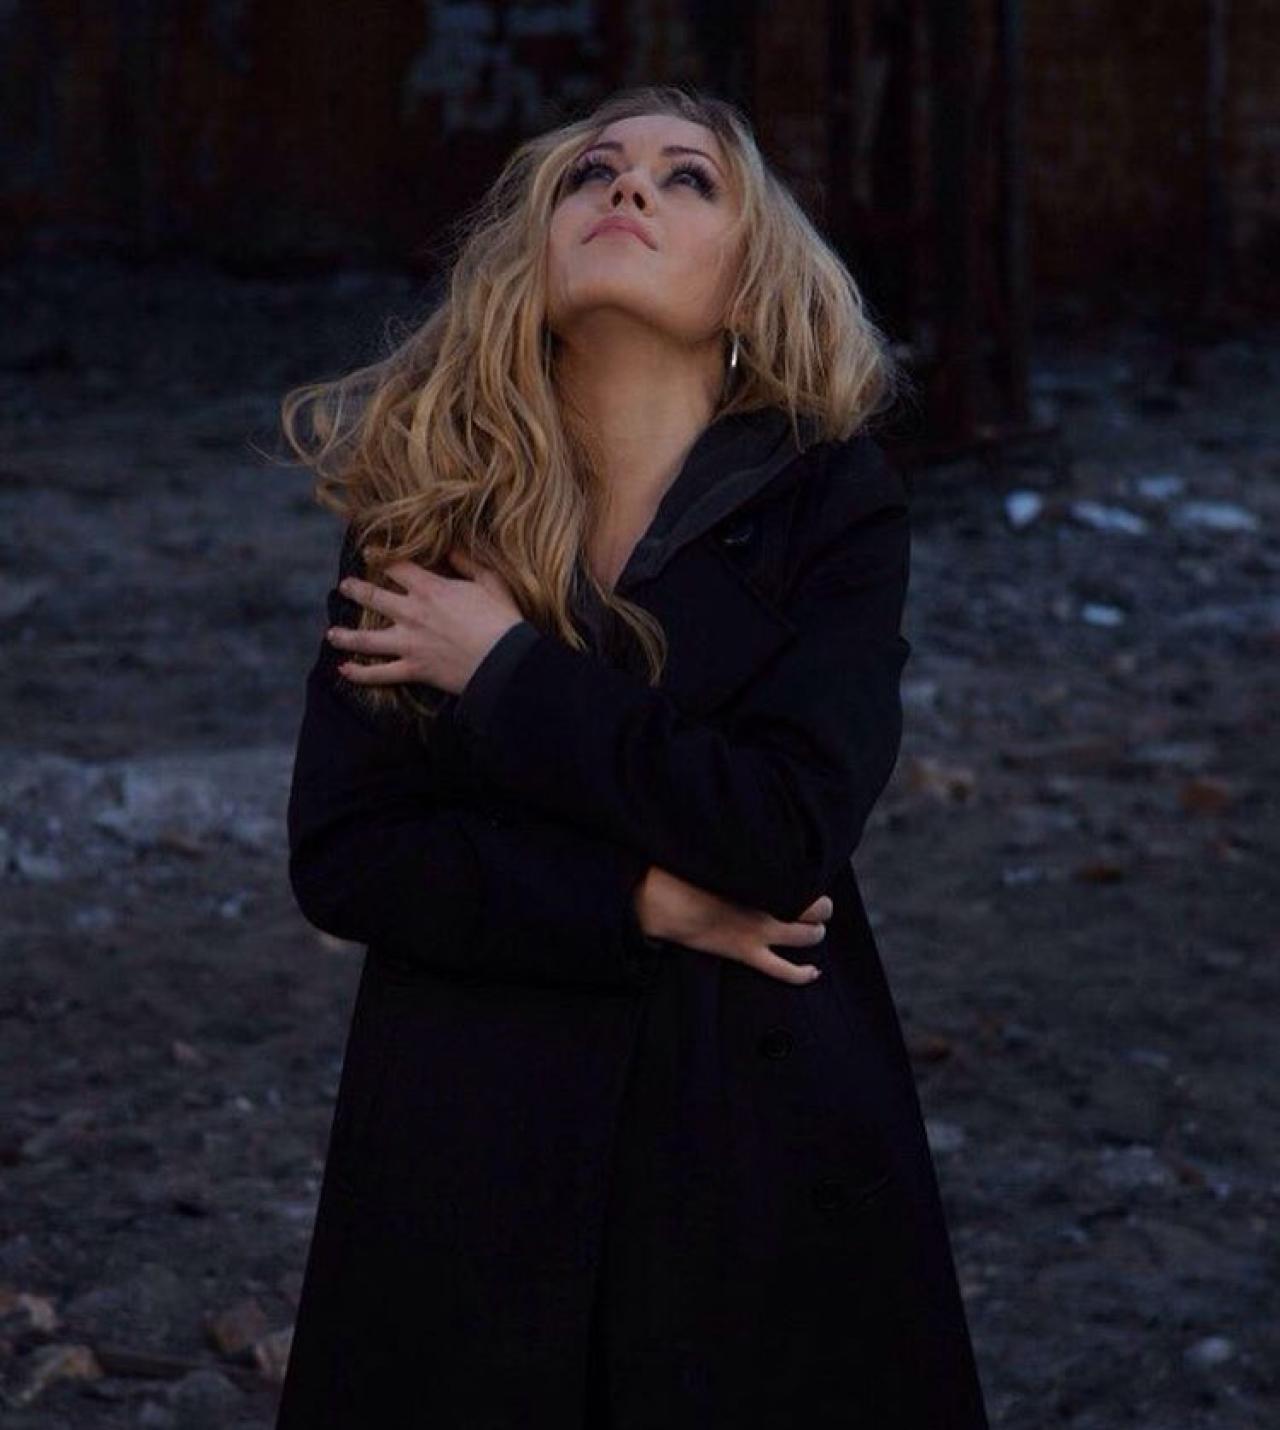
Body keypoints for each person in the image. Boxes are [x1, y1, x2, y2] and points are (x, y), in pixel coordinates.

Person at [273, 83, 990, 1429]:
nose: (629, 188)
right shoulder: (425, 505)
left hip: (746, 1110)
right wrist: (639, 901)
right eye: (591, 171)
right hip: (467, 1121)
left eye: (687, 177)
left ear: (749, 281)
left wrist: (504, 670)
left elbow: (784, 829)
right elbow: (351, 853)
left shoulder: (832, 503)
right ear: (533, 257)